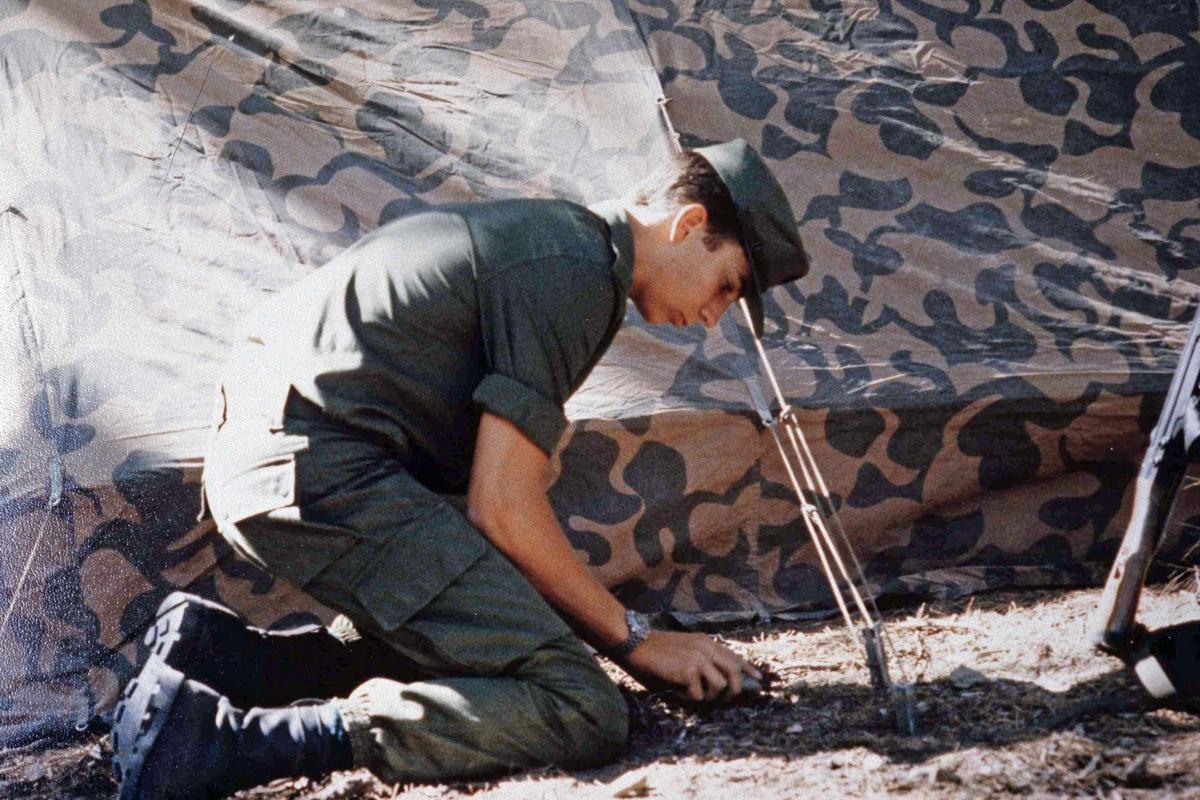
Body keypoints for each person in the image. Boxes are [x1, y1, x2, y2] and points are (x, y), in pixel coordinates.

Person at [111, 139, 809, 799]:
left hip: (268, 453)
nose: (715, 316)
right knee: (579, 705)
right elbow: (502, 506)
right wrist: (637, 641)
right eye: (727, 285)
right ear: (688, 225)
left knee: (496, 636)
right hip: (317, 468)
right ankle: (218, 741)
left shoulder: (559, 240)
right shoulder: (577, 273)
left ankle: (228, 658)